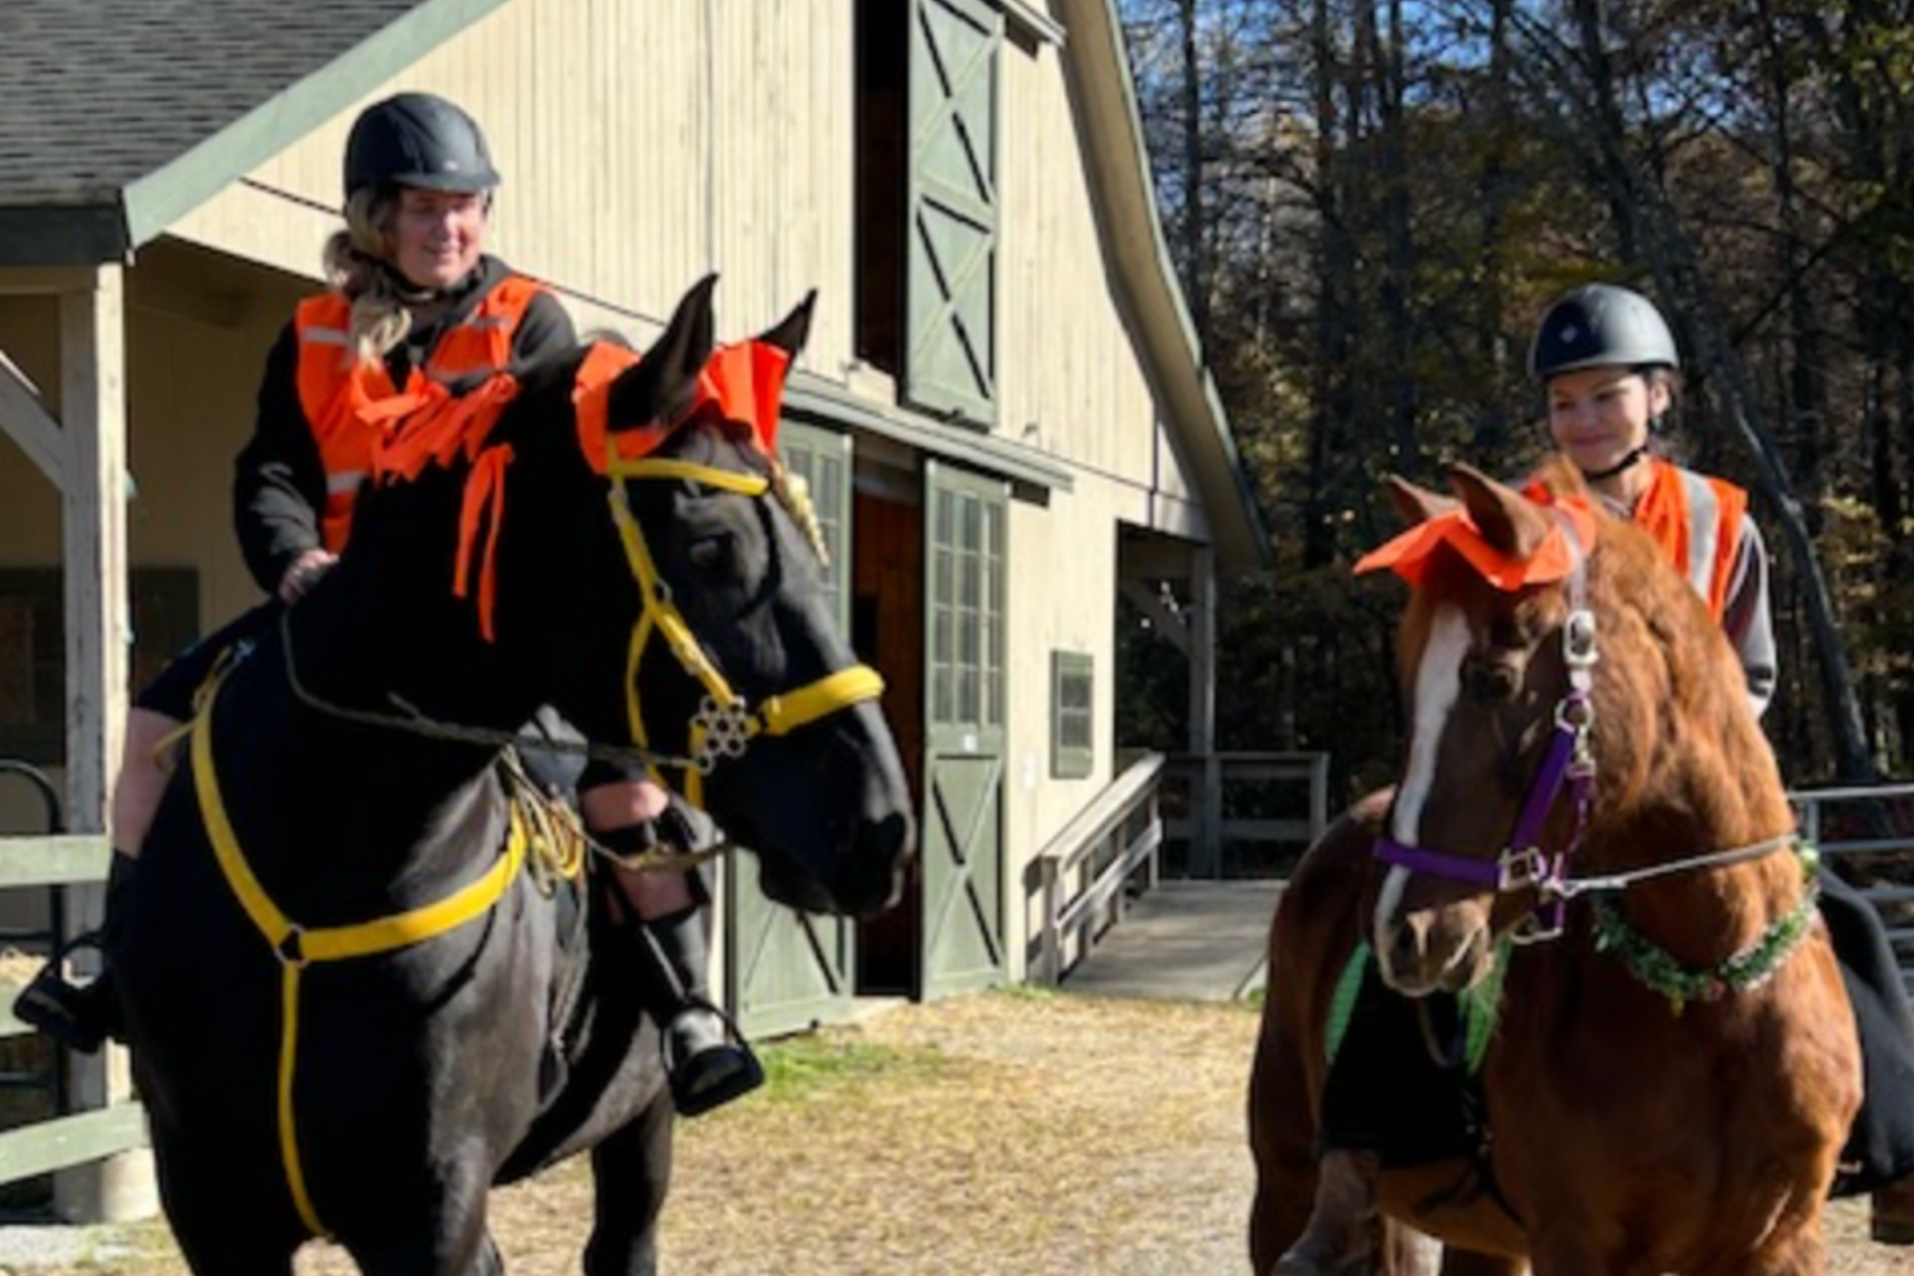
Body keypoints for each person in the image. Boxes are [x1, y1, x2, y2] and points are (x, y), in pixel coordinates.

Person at [14, 91, 761, 1118]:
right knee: (153, 722)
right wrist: (292, 562)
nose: (449, 226)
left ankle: (688, 1010)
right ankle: (114, 957)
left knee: (622, 786)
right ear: (373, 218)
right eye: (423, 207)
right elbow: (272, 467)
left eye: (466, 205)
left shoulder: (529, 321)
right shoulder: (315, 329)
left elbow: (553, 471)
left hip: (498, 617)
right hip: (338, 609)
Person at [1276, 283, 1914, 1273]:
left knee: (1851, 924)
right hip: (1553, 803)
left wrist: (1706, 761)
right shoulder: (1519, 523)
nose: (1581, 421)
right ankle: (1351, 1164)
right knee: (1400, 928)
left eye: (1604, 396)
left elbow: (1752, 671)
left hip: (1701, 794)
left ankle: (1899, 1152)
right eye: (1563, 402)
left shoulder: (1717, 517)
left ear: (1658, 397)